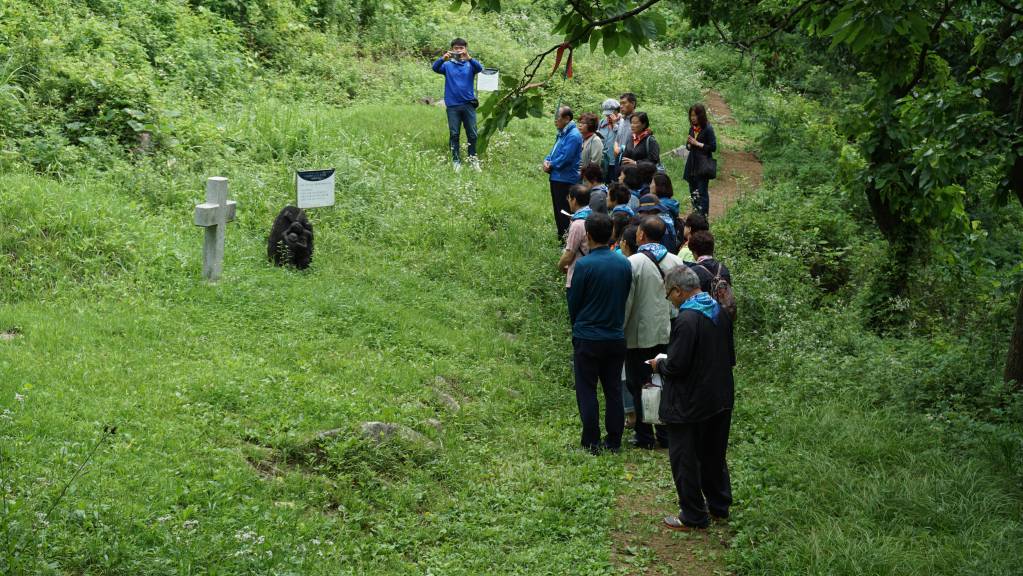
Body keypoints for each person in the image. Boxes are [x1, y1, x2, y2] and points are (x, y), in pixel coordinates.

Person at [651, 265, 735, 531]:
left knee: (684, 456)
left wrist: (659, 364)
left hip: (690, 401)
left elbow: (677, 366)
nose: (671, 300)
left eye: (669, 295)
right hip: (719, 395)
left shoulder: (687, 320)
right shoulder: (718, 310)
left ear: (678, 291)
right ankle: (719, 507)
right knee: (713, 454)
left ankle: (693, 515)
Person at [567, 212, 632, 454]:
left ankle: (591, 441)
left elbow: (574, 302)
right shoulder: (624, 264)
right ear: (612, 234)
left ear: (588, 235)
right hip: (615, 336)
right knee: (613, 388)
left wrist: (579, 327)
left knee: (587, 389)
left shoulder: (584, 265)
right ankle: (614, 440)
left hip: (588, 336)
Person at [621, 219, 677, 450]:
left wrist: (620, 328)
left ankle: (644, 435)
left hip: (638, 333)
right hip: (666, 330)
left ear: (641, 234)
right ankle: (664, 433)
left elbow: (627, 301)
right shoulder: (674, 260)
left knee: (638, 382)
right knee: (662, 381)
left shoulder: (633, 263)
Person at [432, 38, 484, 172]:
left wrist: (469, 58)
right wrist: (443, 58)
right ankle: (456, 161)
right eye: (456, 48)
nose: (458, 50)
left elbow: (480, 68)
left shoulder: (470, 64)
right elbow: (435, 68)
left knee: (472, 134)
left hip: (468, 104)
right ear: (452, 49)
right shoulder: (447, 65)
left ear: (465, 49)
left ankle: (473, 160)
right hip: (453, 106)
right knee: (454, 134)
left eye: (461, 48)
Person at [543, 106, 583, 240]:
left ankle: (567, 238)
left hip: (565, 179)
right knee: (557, 207)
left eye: (557, 118)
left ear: (567, 118)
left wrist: (552, 165)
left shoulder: (573, 135)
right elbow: (554, 151)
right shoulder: (562, 133)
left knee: (564, 209)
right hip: (557, 176)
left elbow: (566, 157)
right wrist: (547, 161)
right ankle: (561, 235)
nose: (555, 121)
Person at [683, 103, 717, 216]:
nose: (693, 118)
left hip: (703, 164)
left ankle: (703, 218)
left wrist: (697, 143)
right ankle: (696, 214)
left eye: (695, 115)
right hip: (692, 163)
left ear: (701, 115)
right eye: (691, 115)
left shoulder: (708, 129)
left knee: (702, 192)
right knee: (693, 191)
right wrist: (689, 145)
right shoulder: (692, 129)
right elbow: (688, 145)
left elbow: (713, 147)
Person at [558, 185, 593, 289]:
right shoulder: (593, 216)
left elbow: (569, 255)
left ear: (574, 200)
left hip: (578, 274)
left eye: (569, 198)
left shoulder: (578, 224)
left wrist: (560, 266)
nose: (568, 201)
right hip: (592, 271)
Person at [597, 99, 622, 184]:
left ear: (617, 112)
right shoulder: (601, 123)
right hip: (604, 161)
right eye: (607, 115)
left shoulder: (622, 123)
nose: (608, 117)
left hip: (615, 161)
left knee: (613, 184)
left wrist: (615, 124)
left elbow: (622, 137)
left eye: (610, 114)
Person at [578, 113, 605, 177]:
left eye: (583, 123)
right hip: (577, 175)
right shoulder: (581, 138)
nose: (580, 125)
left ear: (591, 125)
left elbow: (595, 163)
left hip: (588, 178)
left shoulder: (595, 140)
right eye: (580, 122)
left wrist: (583, 174)